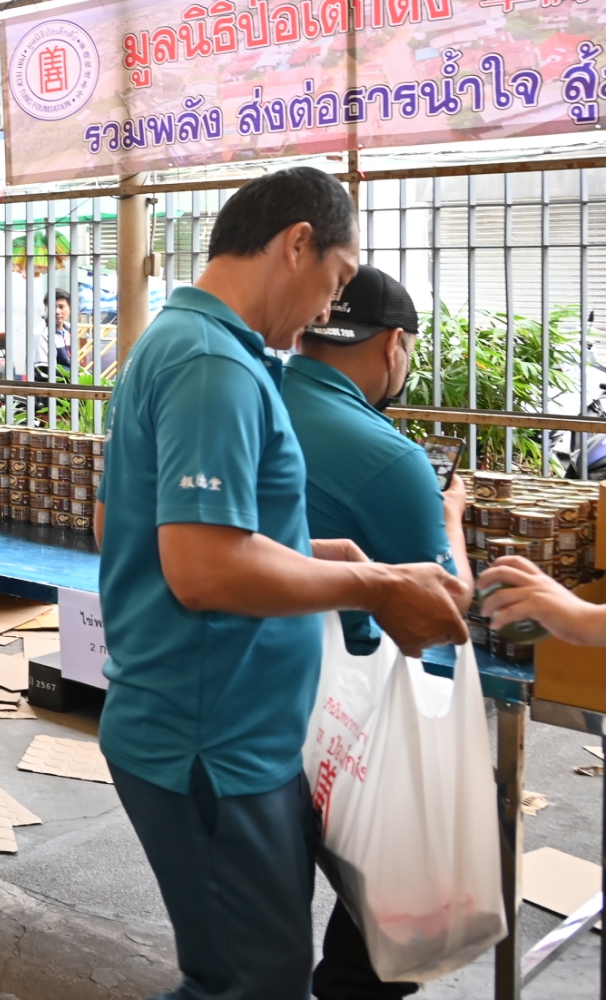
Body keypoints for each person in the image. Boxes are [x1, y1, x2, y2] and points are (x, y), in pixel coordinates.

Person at [94, 167, 471, 1000]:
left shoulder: (181, 341)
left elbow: (126, 523)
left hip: (218, 726)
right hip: (210, 738)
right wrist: (373, 587)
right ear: (298, 243)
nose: (327, 309)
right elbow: (202, 566)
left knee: (240, 975)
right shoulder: (211, 364)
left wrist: (327, 555)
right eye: (337, 277)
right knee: (253, 984)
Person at [281, 263, 466, 1000]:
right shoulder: (389, 455)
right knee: (402, 887)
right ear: (394, 346)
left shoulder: (251, 401)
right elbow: (444, 606)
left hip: (244, 705)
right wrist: (451, 514)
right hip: (344, 719)